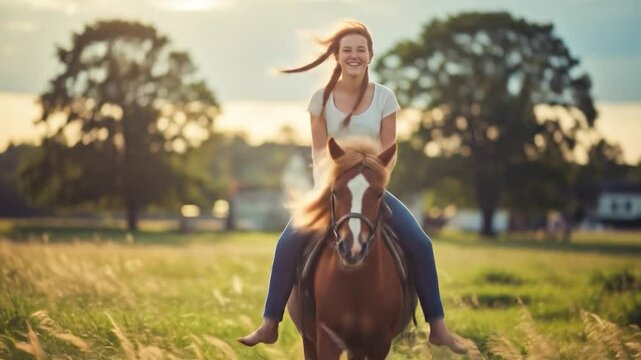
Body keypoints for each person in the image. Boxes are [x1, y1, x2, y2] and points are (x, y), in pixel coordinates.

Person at [238, 20, 467, 354]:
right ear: (338, 56)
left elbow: (390, 151)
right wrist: (331, 189)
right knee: (287, 242)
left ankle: (438, 327)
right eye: (348, 49)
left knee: (421, 241)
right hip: (331, 190)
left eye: (361, 49)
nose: (354, 55)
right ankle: (270, 322)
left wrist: (373, 182)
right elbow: (319, 154)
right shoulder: (320, 100)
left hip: (372, 188)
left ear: (371, 55)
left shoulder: (385, 98)